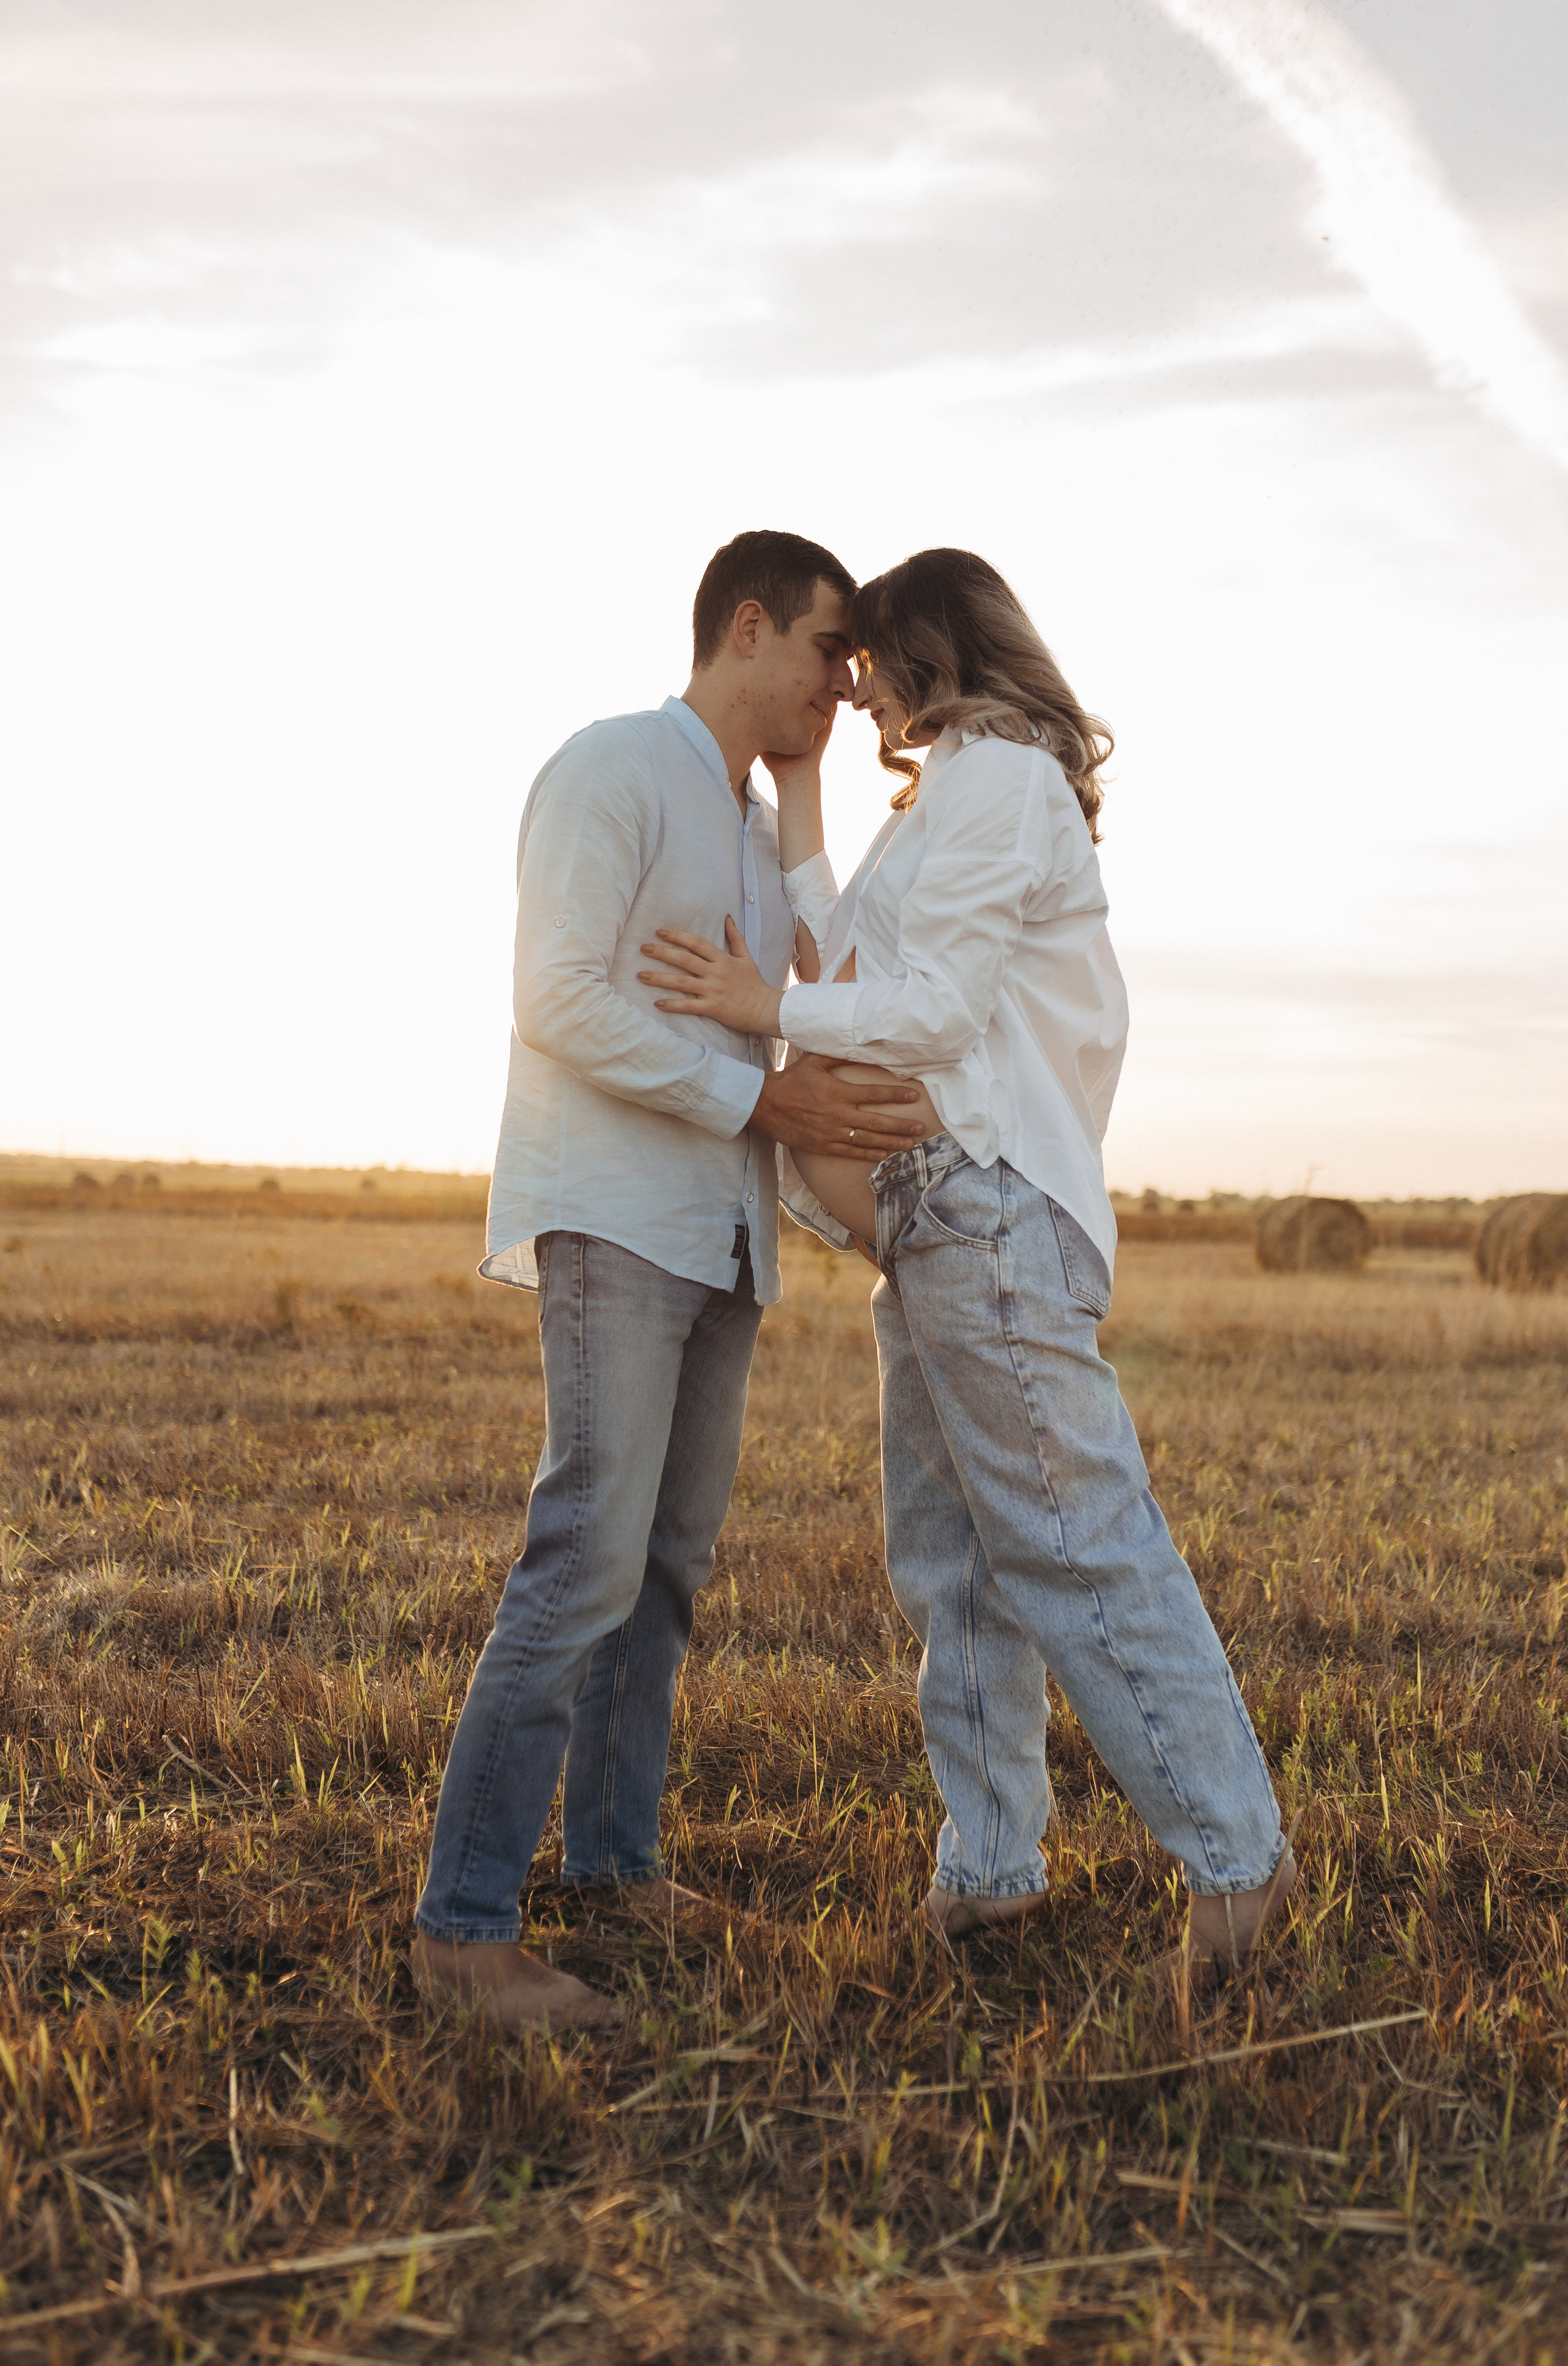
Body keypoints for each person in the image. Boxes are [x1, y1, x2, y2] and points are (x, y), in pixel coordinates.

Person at [639, 547, 1296, 1966]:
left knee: (1072, 1543)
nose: (850, 686)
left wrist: (762, 1003)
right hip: (936, 1230)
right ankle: (988, 1877)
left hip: (988, 1206)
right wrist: (807, 783)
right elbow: (850, 951)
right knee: (956, 1569)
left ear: (927, 643)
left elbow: (923, 1013)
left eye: (862, 661)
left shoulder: (1000, 777)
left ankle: (1236, 1865)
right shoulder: (949, 797)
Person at [411, 531, 932, 2033]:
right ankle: (464, 1929)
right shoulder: (613, 767)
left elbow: (814, 996)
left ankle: (617, 1865)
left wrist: (812, 803)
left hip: (722, 1237)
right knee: (581, 1558)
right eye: (828, 650)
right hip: (621, 1214)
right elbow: (554, 996)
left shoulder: (752, 825)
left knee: (665, 1574)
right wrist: (761, 1106)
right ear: (746, 627)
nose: (847, 680)